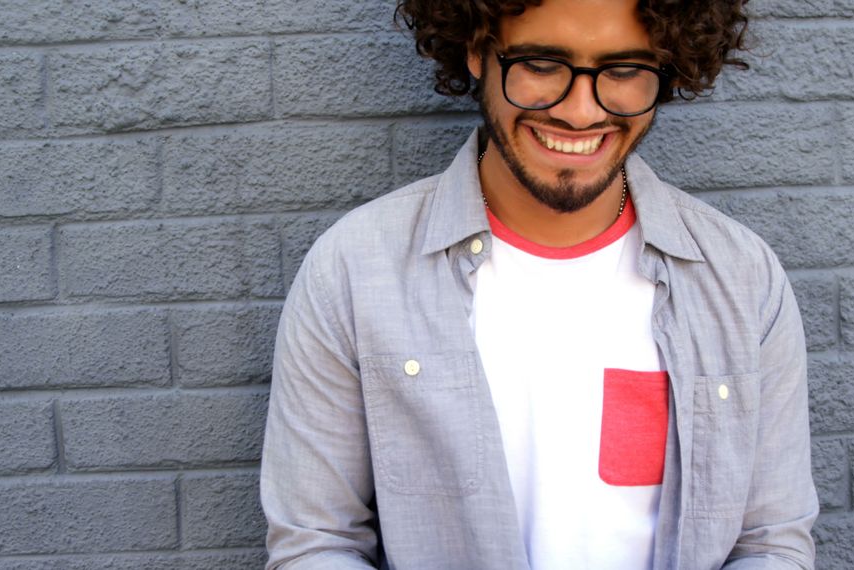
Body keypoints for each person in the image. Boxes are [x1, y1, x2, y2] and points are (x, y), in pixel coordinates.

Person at [261, 0, 819, 567]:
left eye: (624, 71)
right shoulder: (355, 269)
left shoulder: (742, 278)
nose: (580, 112)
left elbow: (770, 541)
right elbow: (317, 542)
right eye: (543, 64)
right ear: (478, 52)